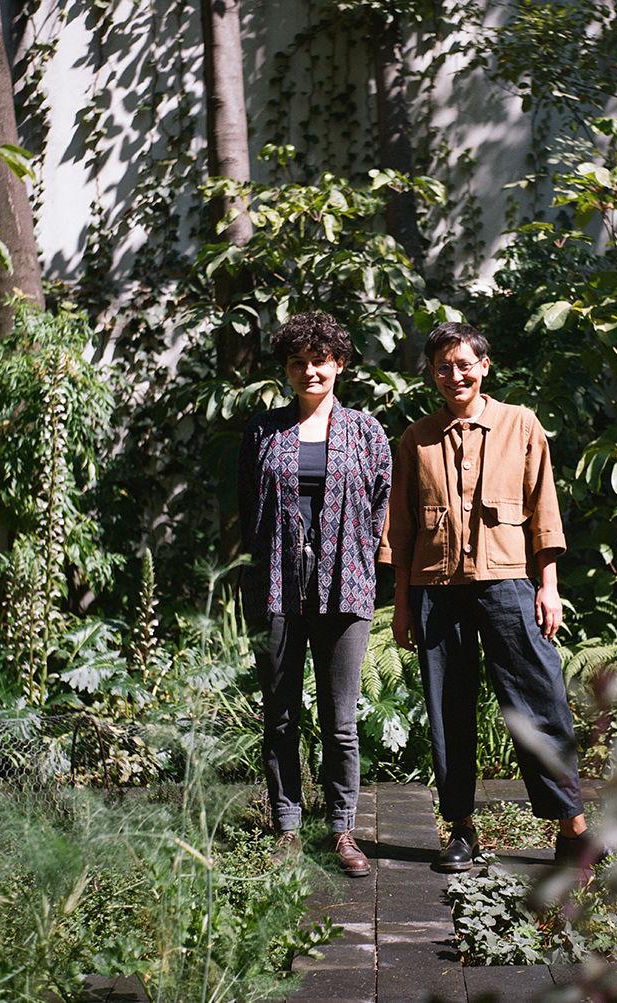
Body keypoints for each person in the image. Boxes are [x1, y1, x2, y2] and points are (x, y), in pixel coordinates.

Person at [379, 321, 592, 874]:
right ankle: (460, 829)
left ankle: (573, 827)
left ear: (484, 366)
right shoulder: (416, 438)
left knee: (539, 701)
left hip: (508, 584)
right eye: (442, 368)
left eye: (464, 364)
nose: (455, 376)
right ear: (431, 375)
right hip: (435, 588)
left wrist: (548, 586)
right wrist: (402, 602)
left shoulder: (520, 424)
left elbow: (544, 509)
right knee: (448, 709)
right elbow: (399, 530)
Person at [237, 311, 391, 877]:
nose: (309, 371)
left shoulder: (366, 431)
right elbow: (248, 513)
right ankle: (286, 826)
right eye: (298, 363)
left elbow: (380, 508)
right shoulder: (262, 431)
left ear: (339, 365)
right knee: (279, 714)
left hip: (345, 585)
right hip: (277, 586)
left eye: (319, 362)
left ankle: (344, 829)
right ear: (287, 369)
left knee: (340, 719)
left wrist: (347, 556)